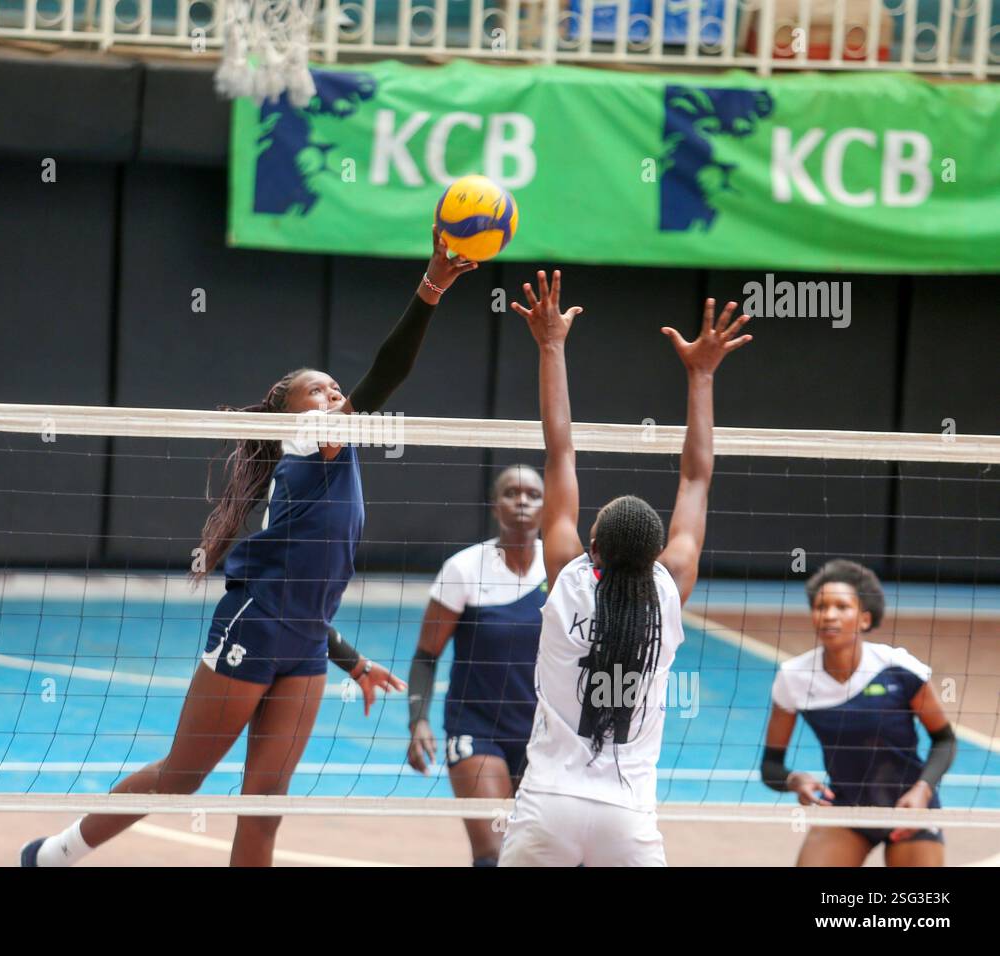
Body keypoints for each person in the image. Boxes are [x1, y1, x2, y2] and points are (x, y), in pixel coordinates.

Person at [21, 228, 476, 866]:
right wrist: (431, 285)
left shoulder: (337, 456)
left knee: (265, 806)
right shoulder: (309, 437)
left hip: (307, 643)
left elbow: (306, 590)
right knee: (183, 778)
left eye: (335, 389)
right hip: (253, 629)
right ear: (288, 412)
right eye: (317, 390)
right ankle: (53, 854)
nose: (333, 396)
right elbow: (387, 374)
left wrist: (350, 659)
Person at [499, 276, 751, 867]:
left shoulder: (566, 576)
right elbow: (696, 477)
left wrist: (551, 346)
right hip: (627, 818)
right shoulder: (670, 589)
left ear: (591, 543)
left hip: (547, 807)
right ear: (659, 551)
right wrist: (703, 376)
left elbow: (559, 450)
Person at [760, 558, 956, 866]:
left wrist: (922, 793)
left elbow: (945, 741)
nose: (829, 616)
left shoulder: (898, 668)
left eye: (841, 607)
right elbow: (770, 766)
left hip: (909, 807)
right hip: (846, 810)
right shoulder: (793, 677)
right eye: (821, 607)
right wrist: (796, 781)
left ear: (864, 619)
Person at [406, 464, 549, 866]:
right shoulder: (464, 569)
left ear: (546, 506)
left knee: (553, 853)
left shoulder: (562, 570)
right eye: (511, 493)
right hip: (477, 728)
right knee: (494, 854)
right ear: (494, 504)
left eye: (533, 494)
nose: (522, 500)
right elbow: (425, 655)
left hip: (545, 734)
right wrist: (417, 719)